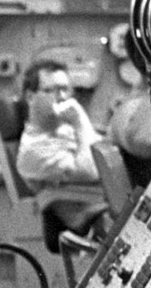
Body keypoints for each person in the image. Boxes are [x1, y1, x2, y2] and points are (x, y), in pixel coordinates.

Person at [14, 59, 111, 238]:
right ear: (30, 96)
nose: (63, 97)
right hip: (95, 215)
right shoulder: (32, 150)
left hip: (112, 198)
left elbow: (107, 151)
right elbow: (90, 171)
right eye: (52, 90)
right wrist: (81, 121)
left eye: (66, 89)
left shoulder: (65, 129)